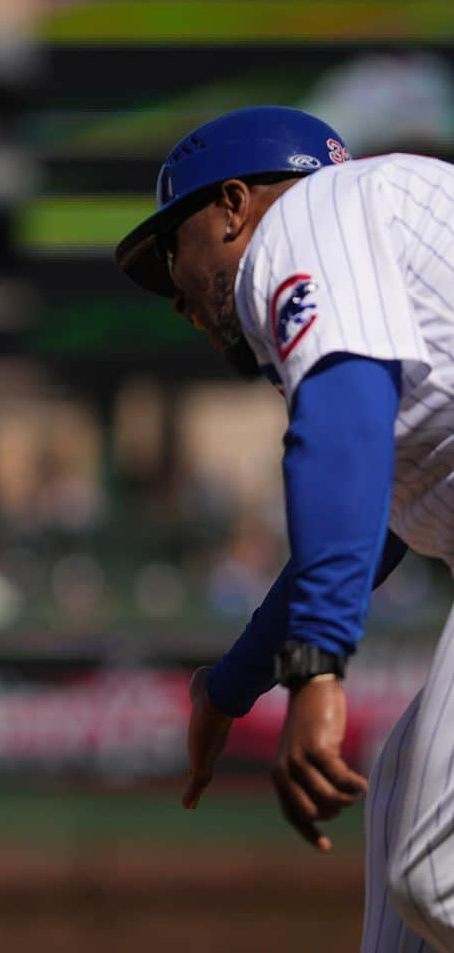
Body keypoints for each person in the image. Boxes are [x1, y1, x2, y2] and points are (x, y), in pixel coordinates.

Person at [115, 106, 454, 950]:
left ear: (234, 206)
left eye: (173, 256)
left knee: (436, 873)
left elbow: (339, 428)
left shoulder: (307, 220)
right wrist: (233, 685)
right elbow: (379, 520)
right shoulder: (378, 231)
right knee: (409, 799)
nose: (179, 300)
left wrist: (317, 673)